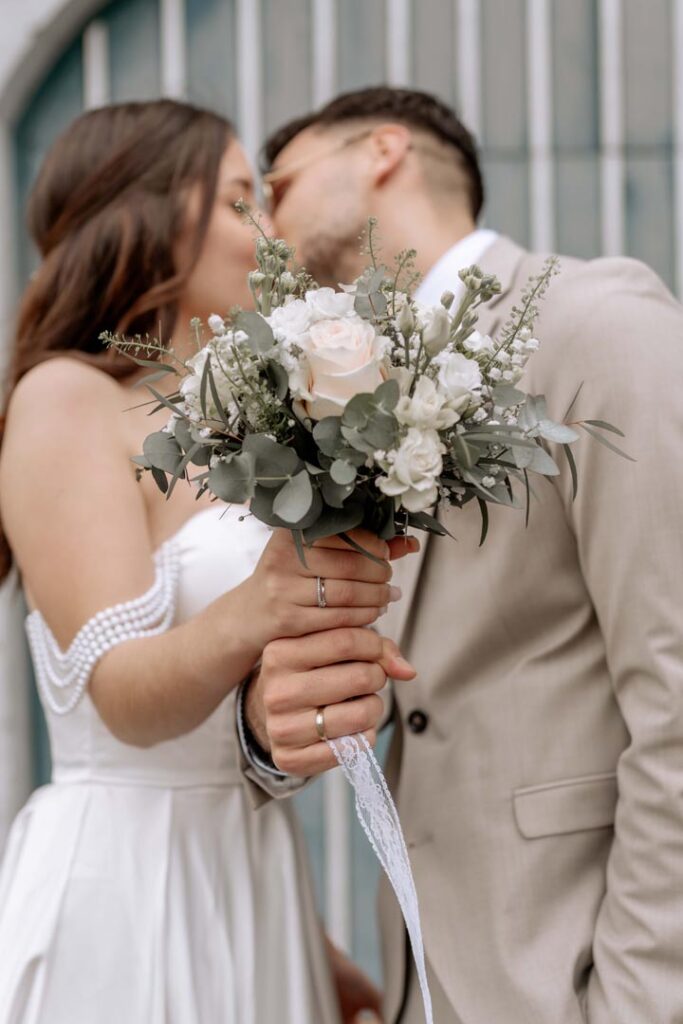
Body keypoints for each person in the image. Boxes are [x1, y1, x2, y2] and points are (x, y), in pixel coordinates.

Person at [239, 86, 683, 1023]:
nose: (260, 221)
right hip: (427, 970)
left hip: (575, 970)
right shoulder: (334, 400)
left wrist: (641, 1002)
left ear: (383, 150)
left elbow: (675, 688)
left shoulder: (598, 321)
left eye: (276, 182)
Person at [0, 98, 417, 1024]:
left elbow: (227, 747)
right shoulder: (64, 396)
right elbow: (120, 695)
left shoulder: (234, 422)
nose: (267, 233)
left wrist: (309, 947)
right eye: (239, 200)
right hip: (128, 887)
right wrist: (267, 603)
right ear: (147, 212)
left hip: (251, 871)